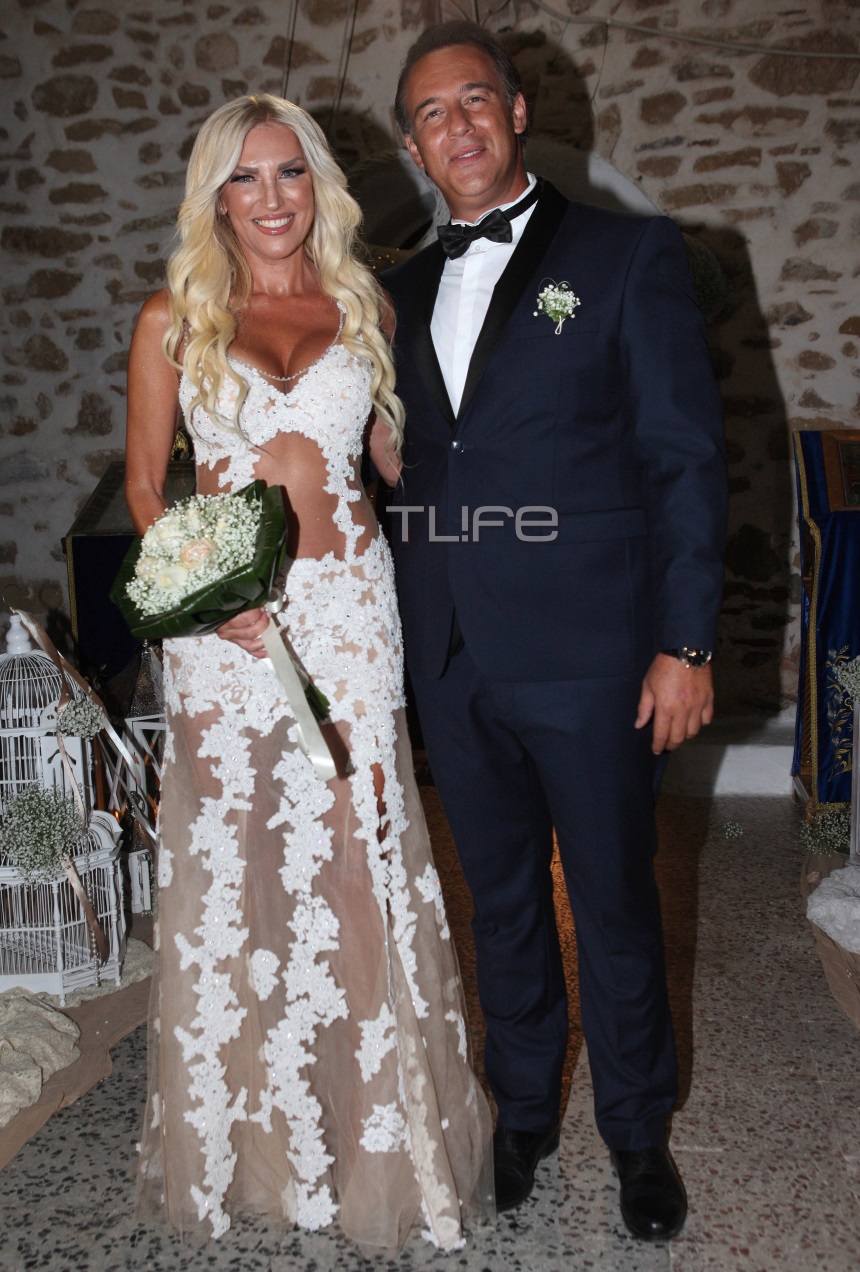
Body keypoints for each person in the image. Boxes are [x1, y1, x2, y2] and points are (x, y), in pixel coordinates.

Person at [124, 92, 493, 1252]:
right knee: (235, 869)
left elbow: (398, 455)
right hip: (224, 636)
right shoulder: (171, 319)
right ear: (215, 198)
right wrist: (208, 599)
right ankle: (262, 1153)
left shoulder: (363, 305)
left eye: (288, 171)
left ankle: (381, 1143)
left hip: (348, 617)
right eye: (244, 177)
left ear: (316, 184)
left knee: (356, 859)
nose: (270, 197)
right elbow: (144, 485)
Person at [384, 22, 727, 1241]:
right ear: (413, 143)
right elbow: (410, 457)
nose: (458, 126)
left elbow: (684, 460)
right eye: (431, 113)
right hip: (452, 651)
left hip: (594, 652)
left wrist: (686, 645)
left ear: (517, 110)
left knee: (616, 899)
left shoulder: (626, 254)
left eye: (475, 99)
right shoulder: (396, 291)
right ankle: (521, 1109)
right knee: (500, 901)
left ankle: (636, 1131)